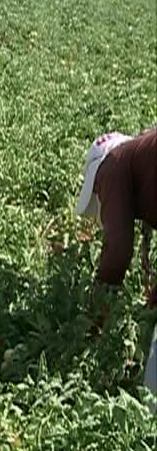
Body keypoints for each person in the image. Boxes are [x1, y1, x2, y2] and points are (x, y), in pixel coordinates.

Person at [75, 125, 156, 411]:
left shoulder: (114, 165)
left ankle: (147, 422)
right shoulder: (143, 154)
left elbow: (118, 252)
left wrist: (95, 311)